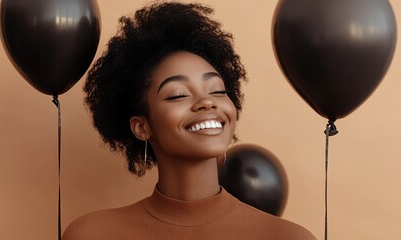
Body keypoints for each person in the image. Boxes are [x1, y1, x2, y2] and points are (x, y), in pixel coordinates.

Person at [63, 2, 317, 239]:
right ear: (141, 127)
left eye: (217, 90)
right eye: (178, 94)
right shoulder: (92, 233)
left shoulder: (288, 237)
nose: (207, 102)